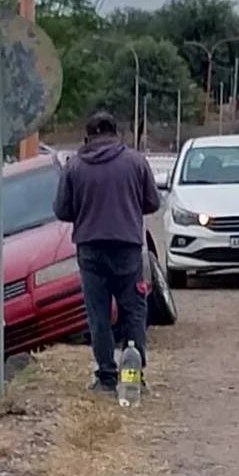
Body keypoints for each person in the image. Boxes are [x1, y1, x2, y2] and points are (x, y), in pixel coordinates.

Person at [53, 111, 161, 394]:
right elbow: (152, 202)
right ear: (117, 134)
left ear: (87, 137)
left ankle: (106, 376)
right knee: (134, 311)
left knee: (98, 315)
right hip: (127, 246)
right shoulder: (136, 162)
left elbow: (62, 211)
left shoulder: (73, 167)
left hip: (90, 249)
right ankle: (133, 375)